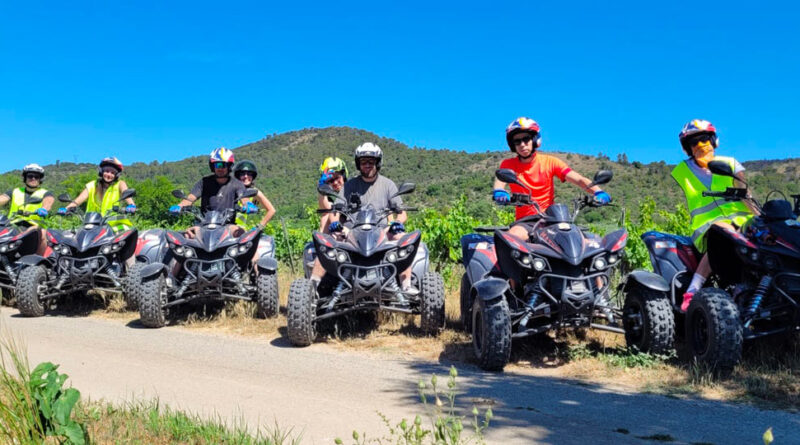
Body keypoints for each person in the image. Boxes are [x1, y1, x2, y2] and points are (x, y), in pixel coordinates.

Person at [671, 119, 756, 311]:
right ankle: (693, 289)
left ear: (713, 140)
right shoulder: (682, 171)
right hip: (707, 225)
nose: (700, 145)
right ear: (687, 148)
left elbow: (746, 195)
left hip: (741, 220)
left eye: (704, 139)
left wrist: (762, 216)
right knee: (722, 233)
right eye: (694, 142)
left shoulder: (730, 164)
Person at [493, 117, 611, 241]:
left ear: (535, 140)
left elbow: (579, 179)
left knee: (585, 243)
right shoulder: (508, 164)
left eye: (526, 139)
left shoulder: (550, 162)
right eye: (517, 141)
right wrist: (499, 192)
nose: (522, 144)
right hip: (526, 222)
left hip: (553, 220)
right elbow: (500, 181)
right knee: (512, 238)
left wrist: (598, 191)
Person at [329, 142, 416, 297]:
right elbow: (335, 211)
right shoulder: (349, 186)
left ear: (378, 162)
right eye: (363, 162)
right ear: (358, 164)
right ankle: (316, 286)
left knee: (403, 239)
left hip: (382, 232)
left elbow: (402, 214)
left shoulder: (388, 185)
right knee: (328, 242)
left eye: (371, 161)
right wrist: (335, 223)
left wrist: (397, 223)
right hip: (351, 232)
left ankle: (406, 284)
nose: (367, 165)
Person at [169, 147, 252, 238]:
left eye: (223, 165)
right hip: (203, 224)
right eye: (217, 165)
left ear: (229, 166)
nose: (220, 168)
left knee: (242, 235)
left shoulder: (237, 184)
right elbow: (190, 198)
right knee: (186, 236)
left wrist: (248, 205)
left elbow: (244, 198)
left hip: (227, 225)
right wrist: (179, 206)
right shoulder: (204, 182)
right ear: (212, 166)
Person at [61, 157, 135, 233]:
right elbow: (80, 198)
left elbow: (127, 194)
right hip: (91, 223)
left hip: (114, 224)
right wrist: (66, 208)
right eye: (107, 171)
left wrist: (131, 206)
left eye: (112, 172)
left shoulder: (120, 184)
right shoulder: (92, 185)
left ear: (117, 175)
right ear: (101, 171)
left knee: (126, 233)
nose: (109, 174)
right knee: (73, 236)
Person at [0, 163, 54, 255]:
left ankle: (39, 262)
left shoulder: (45, 193)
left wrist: (44, 209)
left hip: (34, 225)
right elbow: (2, 199)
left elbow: (48, 202)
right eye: (30, 176)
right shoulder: (15, 191)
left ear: (40, 179)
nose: (33, 178)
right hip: (12, 224)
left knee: (42, 233)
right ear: (25, 178)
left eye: (36, 177)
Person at [233, 160, 276, 231]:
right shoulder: (231, 188)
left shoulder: (254, 192)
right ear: (238, 175)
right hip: (224, 226)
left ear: (253, 176)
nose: (246, 176)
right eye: (242, 173)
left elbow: (271, 210)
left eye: (249, 174)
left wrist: (259, 227)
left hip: (240, 229)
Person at [317, 157, 348, 233]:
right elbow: (325, 207)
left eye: (337, 178)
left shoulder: (352, 187)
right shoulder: (332, 196)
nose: (335, 182)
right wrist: (322, 188)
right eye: (331, 180)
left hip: (356, 227)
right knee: (326, 215)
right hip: (341, 230)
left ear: (343, 176)